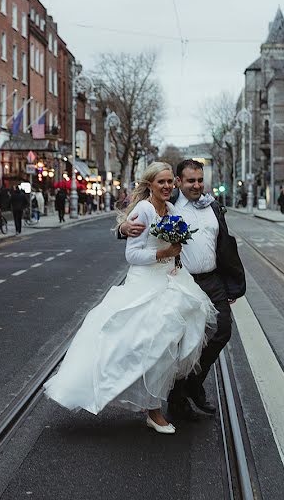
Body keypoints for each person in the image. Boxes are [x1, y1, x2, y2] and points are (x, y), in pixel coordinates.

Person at [44, 162, 217, 434]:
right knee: (142, 346)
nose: (168, 186)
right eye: (162, 182)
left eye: (170, 182)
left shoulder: (171, 209)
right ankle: (152, 409)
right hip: (145, 283)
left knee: (168, 346)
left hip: (169, 280)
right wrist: (161, 251)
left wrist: (174, 255)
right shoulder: (145, 209)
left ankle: (160, 403)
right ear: (150, 185)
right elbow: (131, 255)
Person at [119, 159, 246, 420]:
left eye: (200, 180)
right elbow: (137, 224)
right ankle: (178, 398)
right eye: (190, 181)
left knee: (222, 332)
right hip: (182, 280)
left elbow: (224, 244)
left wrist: (232, 283)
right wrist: (122, 228)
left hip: (212, 280)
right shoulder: (167, 202)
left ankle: (192, 385)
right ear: (179, 181)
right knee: (182, 343)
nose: (196, 185)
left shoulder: (213, 206)